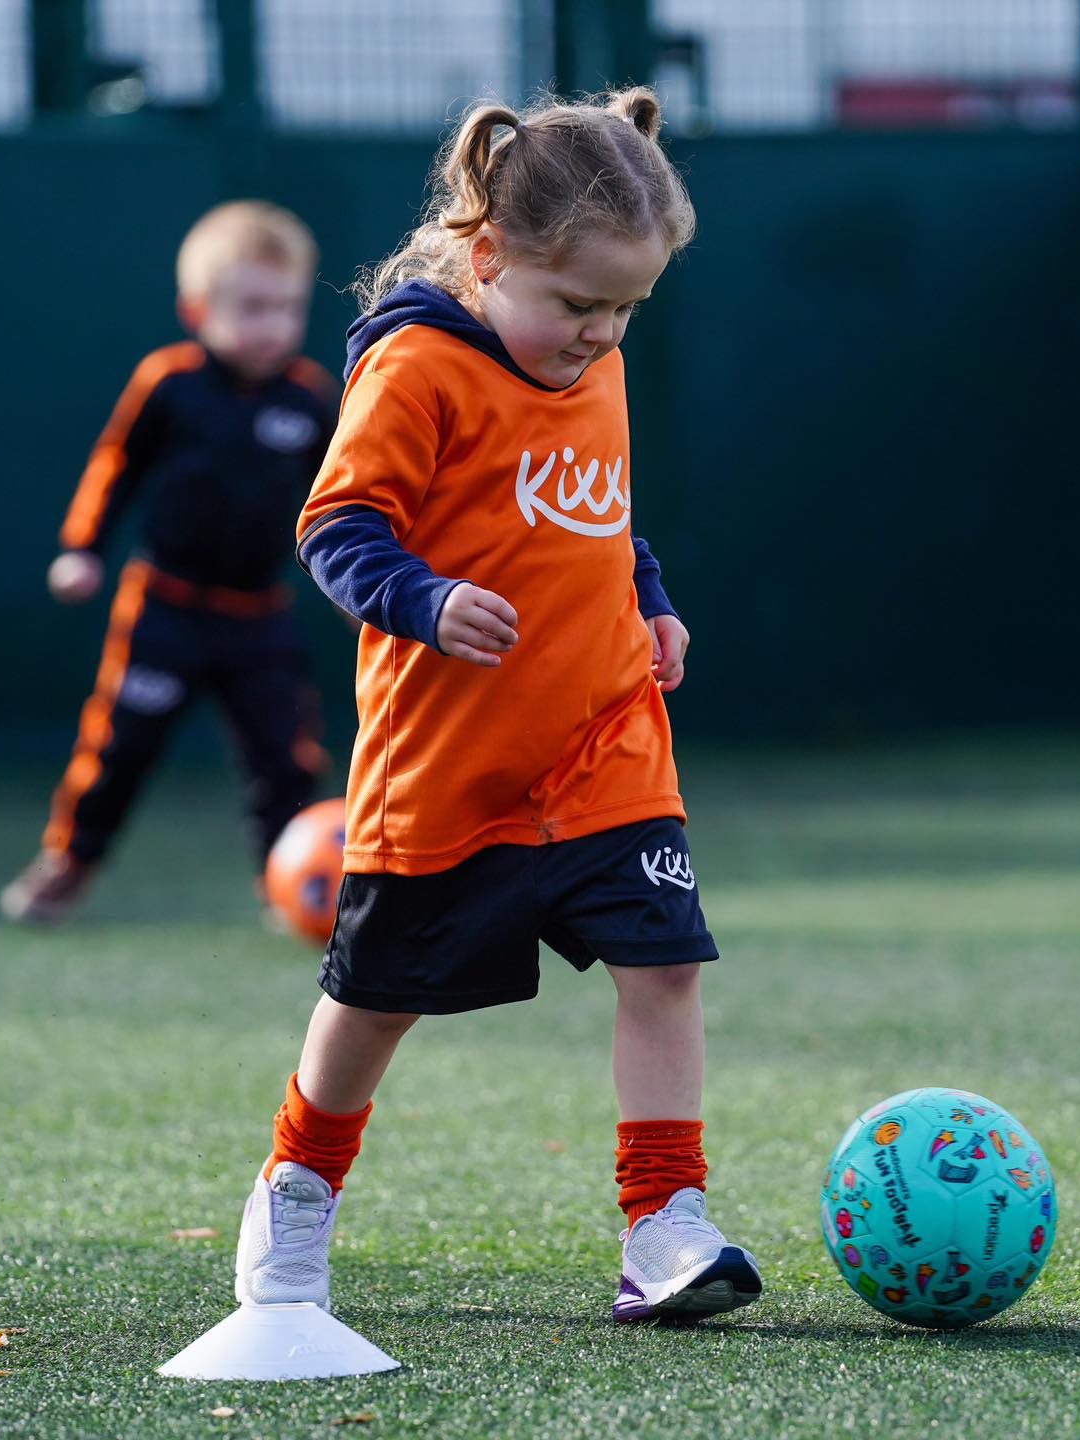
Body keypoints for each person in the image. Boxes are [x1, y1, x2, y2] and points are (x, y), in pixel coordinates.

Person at [232, 88, 763, 1324]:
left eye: (627, 308)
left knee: (665, 971)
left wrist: (652, 599)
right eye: (576, 304)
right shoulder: (417, 368)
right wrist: (421, 601)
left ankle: (663, 1222)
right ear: (486, 257)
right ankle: (300, 1184)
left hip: (605, 747)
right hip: (447, 771)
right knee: (373, 1006)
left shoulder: (598, 361)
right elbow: (336, 526)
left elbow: (601, 511)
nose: (599, 334)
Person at [1, 201, 337, 924]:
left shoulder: (310, 400)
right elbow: (114, 467)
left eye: (286, 308)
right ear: (197, 309)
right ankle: (69, 862)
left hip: (260, 617)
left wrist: (354, 581)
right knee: (118, 748)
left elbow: (337, 505)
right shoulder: (170, 383)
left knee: (287, 760)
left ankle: (291, 887)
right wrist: (81, 551)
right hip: (165, 608)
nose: (271, 325)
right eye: (251, 307)